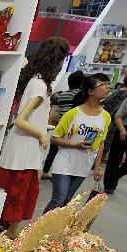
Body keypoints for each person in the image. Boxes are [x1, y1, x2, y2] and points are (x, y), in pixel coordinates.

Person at [0, 36, 70, 238]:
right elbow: (21, 119)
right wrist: (41, 135)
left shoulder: (34, 80)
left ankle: (8, 231)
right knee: (19, 194)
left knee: (12, 192)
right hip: (25, 149)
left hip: (20, 148)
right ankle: (11, 233)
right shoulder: (39, 85)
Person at [43, 73, 111, 213]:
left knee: (67, 201)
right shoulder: (73, 113)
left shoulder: (105, 116)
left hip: (83, 165)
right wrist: (75, 145)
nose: (107, 87)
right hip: (64, 163)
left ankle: (52, 232)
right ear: (90, 91)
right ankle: (37, 231)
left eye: (107, 84)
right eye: (103, 84)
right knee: (59, 199)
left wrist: (97, 167)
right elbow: (54, 138)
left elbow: (101, 144)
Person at [41, 69, 85, 179]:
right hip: (72, 128)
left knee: (53, 151)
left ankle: (45, 172)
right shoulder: (80, 96)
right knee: (65, 153)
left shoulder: (63, 95)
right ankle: (60, 174)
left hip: (60, 125)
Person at [101, 73, 127, 158]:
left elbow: (105, 105)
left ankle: (97, 161)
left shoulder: (113, 92)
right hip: (120, 123)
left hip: (106, 119)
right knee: (111, 145)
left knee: (102, 141)